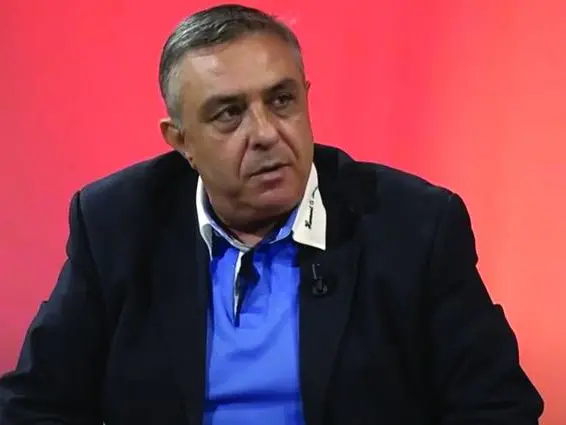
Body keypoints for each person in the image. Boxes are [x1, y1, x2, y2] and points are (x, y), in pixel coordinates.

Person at [0, 4, 543, 425]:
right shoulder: (115, 224)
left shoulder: (414, 226)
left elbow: (497, 408)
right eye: (229, 113)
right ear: (180, 141)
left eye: (281, 101)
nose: (264, 133)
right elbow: (34, 405)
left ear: (306, 98)